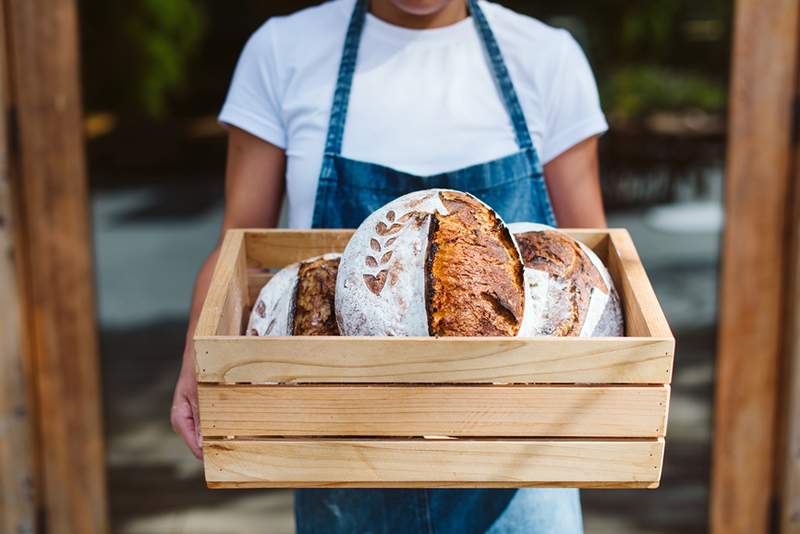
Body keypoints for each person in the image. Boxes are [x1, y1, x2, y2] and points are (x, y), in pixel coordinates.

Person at [171, 0, 608, 531]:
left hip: (519, 473)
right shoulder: (282, 51)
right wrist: (203, 349)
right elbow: (237, 246)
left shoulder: (547, 60)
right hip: (341, 462)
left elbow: (593, 262)